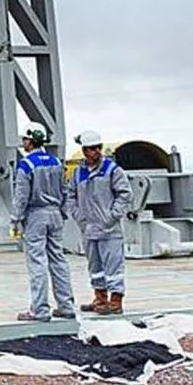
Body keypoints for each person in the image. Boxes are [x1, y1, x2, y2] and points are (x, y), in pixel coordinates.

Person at [12, 122, 76, 322]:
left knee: (37, 262)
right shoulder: (57, 162)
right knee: (58, 260)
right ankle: (66, 306)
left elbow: (21, 195)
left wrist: (16, 219)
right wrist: (63, 212)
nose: (23, 143)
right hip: (55, 213)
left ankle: (39, 310)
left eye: (25, 140)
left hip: (36, 215)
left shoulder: (26, 164)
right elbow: (65, 190)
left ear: (31, 141)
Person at [66, 130, 132, 316]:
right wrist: (79, 218)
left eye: (98, 148)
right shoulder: (78, 173)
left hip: (109, 229)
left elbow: (125, 194)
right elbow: (70, 196)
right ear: (84, 151)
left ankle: (116, 300)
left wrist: (112, 216)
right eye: (91, 149)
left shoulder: (112, 171)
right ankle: (100, 298)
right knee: (95, 266)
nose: (95, 152)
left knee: (113, 266)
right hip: (88, 228)